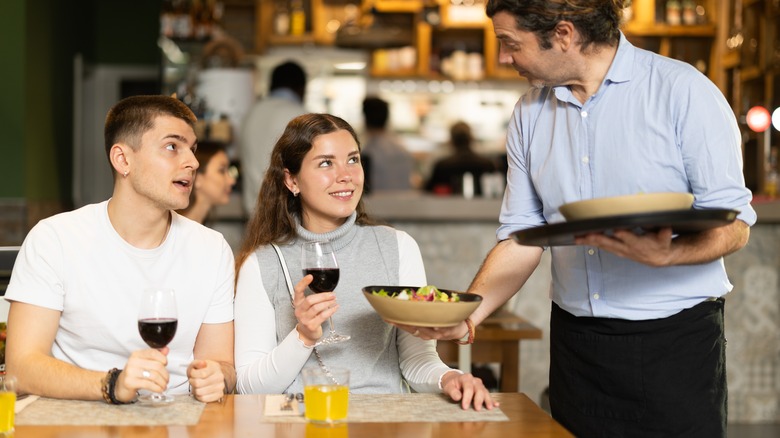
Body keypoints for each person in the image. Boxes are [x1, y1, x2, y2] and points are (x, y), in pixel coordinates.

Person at [404, 1, 757, 436]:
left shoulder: (682, 91)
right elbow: (520, 238)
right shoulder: (530, 114)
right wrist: (469, 315)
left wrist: (668, 254)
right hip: (577, 347)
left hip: (675, 345)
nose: (503, 58)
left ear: (565, 34)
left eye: (510, 44)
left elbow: (735, 224)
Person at [233, 113, 497, 410]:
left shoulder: (397, 247)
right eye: (326, 163)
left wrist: (450, 378)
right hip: (303, 419)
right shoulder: (262, 263)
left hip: (384, 418)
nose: (345, 175)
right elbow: (248, 386)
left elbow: (417, 360)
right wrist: (303, 337)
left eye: (353, 160)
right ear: (292, 180)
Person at [5, 95, 236, 404]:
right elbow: (22, 367)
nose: (193, 162)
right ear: (123, 160)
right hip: (77, 419)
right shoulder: (55, 239)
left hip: (181, 419)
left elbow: (222, 364)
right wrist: (113, 384)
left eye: (192, 149)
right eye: (172, 147)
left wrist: (217, 375)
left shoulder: (213, 249)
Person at [239, 60, 307, 215]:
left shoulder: (251, 113)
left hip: (253, 213)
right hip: (288, 215)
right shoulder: (300, 116)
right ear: (302, 88)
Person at [424, 121, 497, 196]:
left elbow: (427, 191)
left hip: (448, 207)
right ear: (471, 138)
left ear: (451, 140)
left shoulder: (442, 166)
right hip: (484, 207)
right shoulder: (487, 164)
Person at [360, 96, 417, 192]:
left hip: (376, 204)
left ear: (365, 118)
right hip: (404, 203)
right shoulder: (402, 147)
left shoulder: (368, 151)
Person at [177, 141, 237, 224]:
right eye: (222, 171)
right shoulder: (175, 229)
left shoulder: (202, 231)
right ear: (196, 177)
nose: (232, 181)